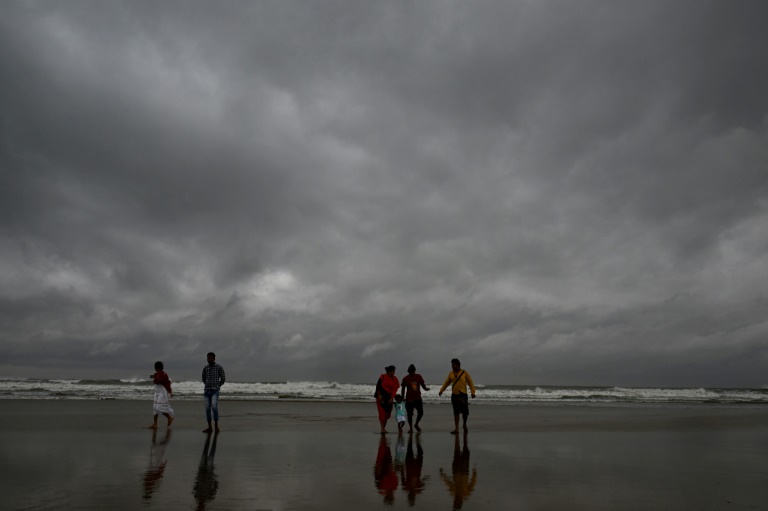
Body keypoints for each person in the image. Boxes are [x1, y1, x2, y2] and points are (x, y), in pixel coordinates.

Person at [438, 358, 476, 434]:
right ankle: (456, 429)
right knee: (456, 412)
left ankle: (464, 424)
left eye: (454, 365)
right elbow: (446, 382)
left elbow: (470, 382)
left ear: (458, 365)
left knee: (465, 413)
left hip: (463, 395)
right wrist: (441, 390)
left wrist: (473, 392)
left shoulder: (464, 373)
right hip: (454, 396)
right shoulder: (451, 374)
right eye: (452, 365)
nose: (452, 366)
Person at [400, 363, 430, 432]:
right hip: (409, 399)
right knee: (409, 414)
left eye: (413, 372)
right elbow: (403, 389)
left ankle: (416, 424)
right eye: (411, 372)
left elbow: (422, 384)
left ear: (415, 371)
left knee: (421, 412)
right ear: (408, 371)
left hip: (417, 398)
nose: (412, 373)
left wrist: (425, 388)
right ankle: (410, 428)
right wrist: (402, 397)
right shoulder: (405, 379)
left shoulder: (418, 376)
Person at [202, 352, 226, 433]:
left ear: (214, 358)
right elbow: (203, 378)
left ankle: (216, 426)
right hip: (207, 391)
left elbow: (223, 378)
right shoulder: (205, 368)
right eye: (208, 358)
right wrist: (207, 385)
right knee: (208, 408)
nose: (209, 359)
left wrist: (218, 386)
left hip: (215, 390)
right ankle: (209, 427)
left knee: (214, 406)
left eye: (211, 358)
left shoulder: (219, 367)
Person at [148, 361, 174, 429]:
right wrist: (154, 375)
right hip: (157, 392)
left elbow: (159, 381)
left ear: (156, 367)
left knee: (159, 407)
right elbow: (152, 377)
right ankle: (155, 424)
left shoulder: (164, 374)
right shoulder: (159, 374)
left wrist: (170, 391)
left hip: (162, 392)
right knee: (155, 408)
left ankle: (169, 417)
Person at [375, 365, 399, 434]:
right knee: (382, 413)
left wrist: (392, 398)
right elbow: (378, 387)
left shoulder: (395, 379)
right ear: (389, 371)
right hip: (381, 397)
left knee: (387, 413)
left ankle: (384, 428)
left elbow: (395, 389)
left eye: (394, 371)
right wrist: (379, 395)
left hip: (389, 398)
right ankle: (382, 429)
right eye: (392, 371)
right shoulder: (382, 377)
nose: (394, 372)